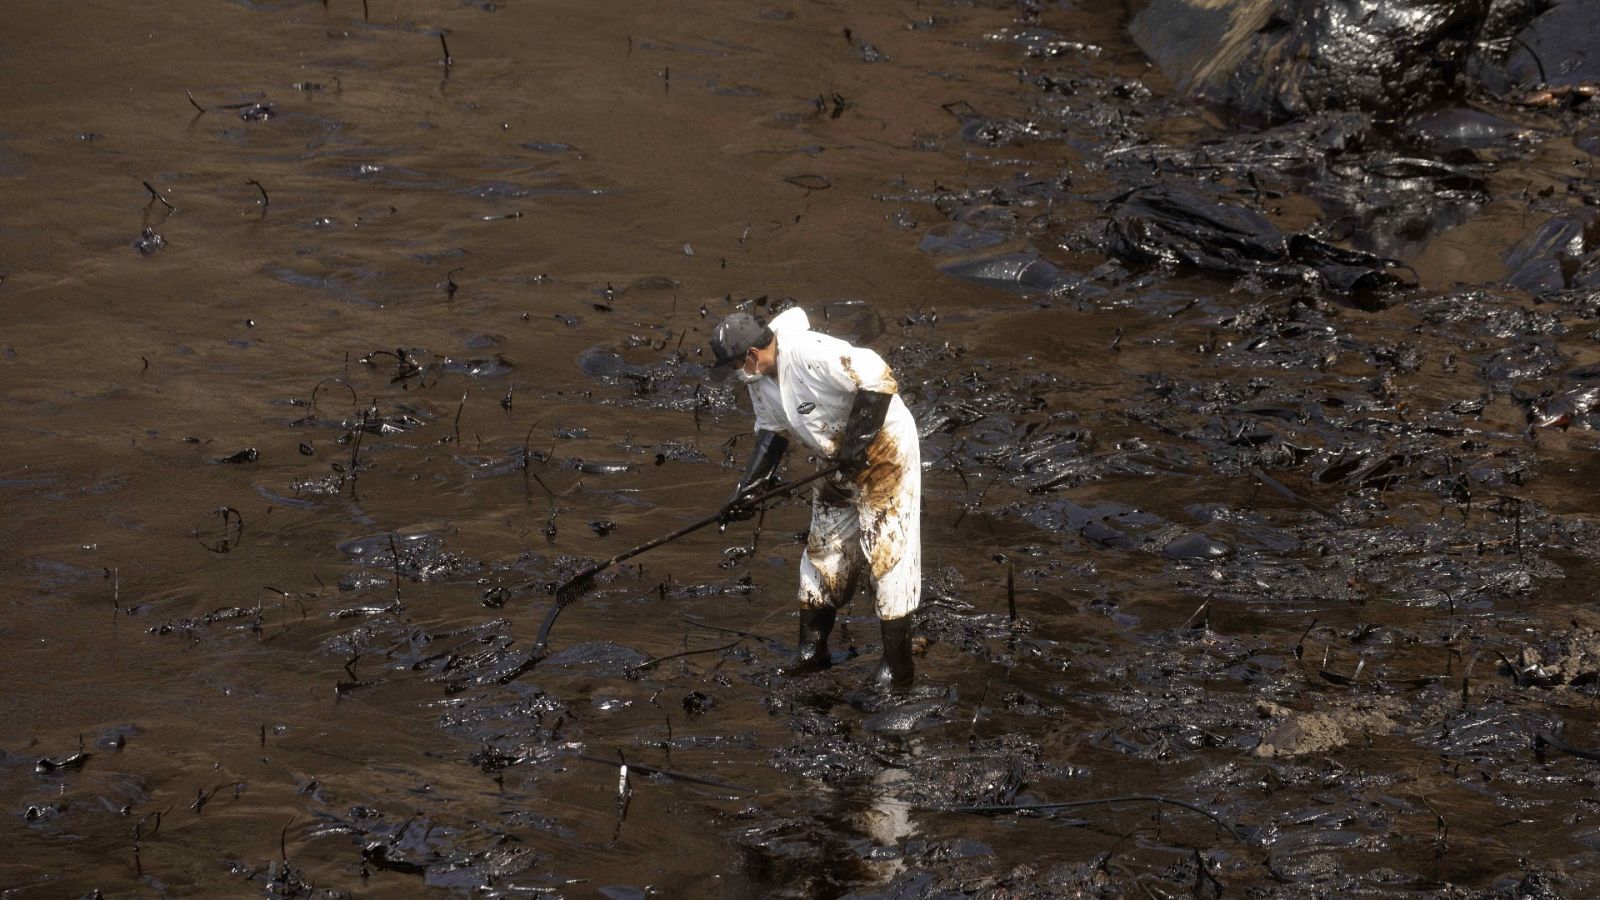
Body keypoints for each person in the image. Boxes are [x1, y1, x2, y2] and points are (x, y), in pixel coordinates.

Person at [706, 306, 921, 690]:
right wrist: (745, 492)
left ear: (751, 356)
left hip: (883, 450)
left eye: (736, 366)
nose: (737, 376)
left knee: (888, 552)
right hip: (837, 460)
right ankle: (813, 651)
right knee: (824, 549)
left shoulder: (808, 351)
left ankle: (897, 668)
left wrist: (857, 446)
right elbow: (772, 435)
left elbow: (877, 375)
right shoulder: (760, 382)